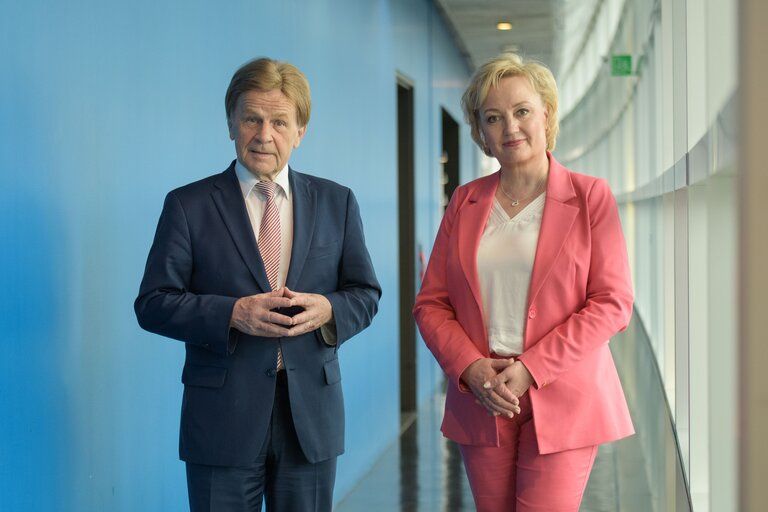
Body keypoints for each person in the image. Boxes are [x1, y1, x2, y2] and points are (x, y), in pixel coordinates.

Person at [134, 57, 381, 512]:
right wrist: (231, 314)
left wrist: (328, 310)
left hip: (310, 419)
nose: (264, 134)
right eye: (252, 118)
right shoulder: (188, 206)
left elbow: (365, 295)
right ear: (231, 123)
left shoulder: (337, 202)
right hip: (221, 420)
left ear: (300, 130)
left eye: (280, 122)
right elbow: (152, 303)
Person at [412, 53, 634, 511]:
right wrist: (470, 368)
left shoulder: (591, 197)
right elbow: (431, 304)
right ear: (481, 132)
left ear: (546, 114)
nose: (509, 127)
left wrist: (532, 367)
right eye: (493, 118)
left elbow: (612, 302)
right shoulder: (464, 202)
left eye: (522, 111)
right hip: (484, 396)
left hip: (565, 394)